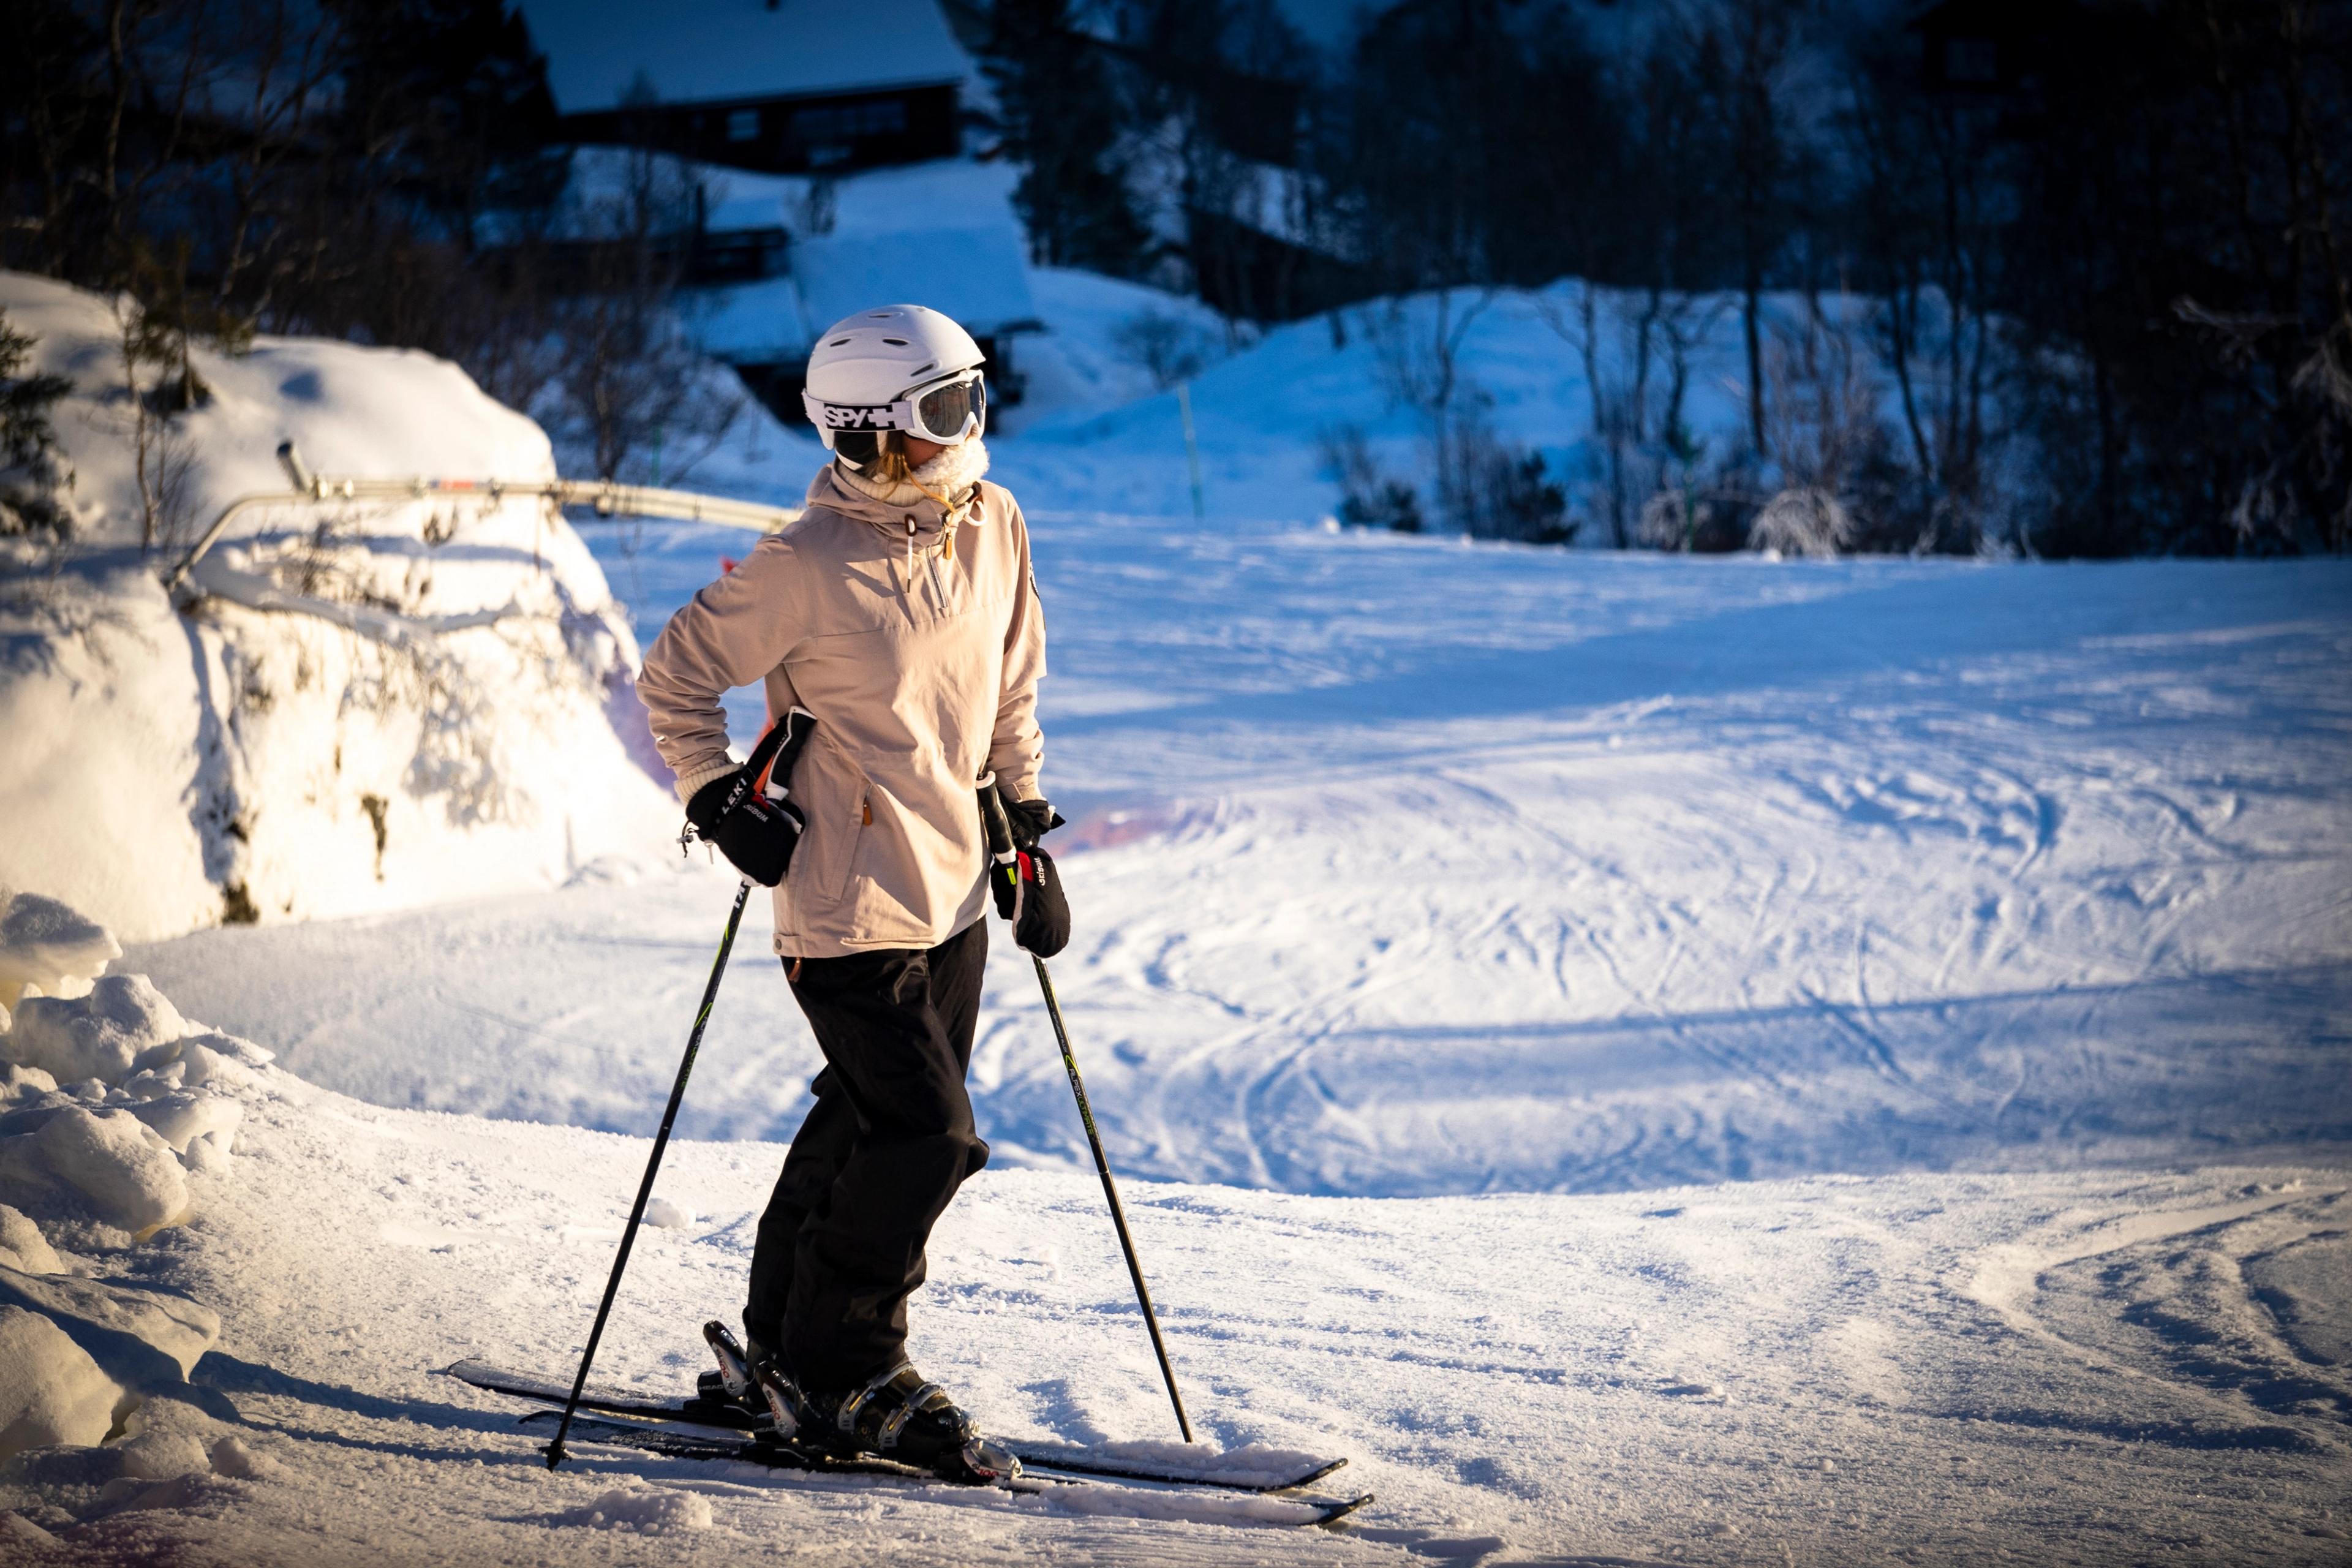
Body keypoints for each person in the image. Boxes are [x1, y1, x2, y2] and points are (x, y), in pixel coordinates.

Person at [636, 304, 1070, 1480]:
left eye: (972, 398)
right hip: (842, 901)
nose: (966, 428)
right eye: (942, 411)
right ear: (871, 433)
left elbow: (1009, 694)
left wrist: (1024, 828)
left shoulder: (994, 524)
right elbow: (673, 675)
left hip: (955, 892)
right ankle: (851, 1367)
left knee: (863, 1121)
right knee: (929, 1137)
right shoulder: (804, 565)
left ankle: (782, 1346)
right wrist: (716, 795)